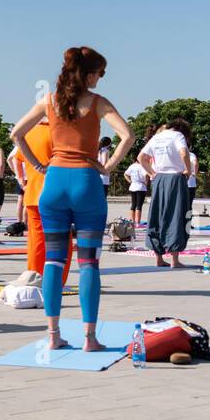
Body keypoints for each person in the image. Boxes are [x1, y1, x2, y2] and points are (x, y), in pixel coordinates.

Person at [11, 46, 133, 352]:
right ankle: (90, 338)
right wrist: (108, 166)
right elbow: (127, 136)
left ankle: (53, 335)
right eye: (100, 74)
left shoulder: (49, 101)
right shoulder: (98, 103)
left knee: (53, 261)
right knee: (89, 263)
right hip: (86, 183)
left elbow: (16, 134)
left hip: (53, 184)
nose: (100, 79)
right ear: (89, 74)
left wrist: (37, 166)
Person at [9, 115, 73, 284]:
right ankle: (58, 280)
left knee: (36, 240)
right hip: (58, 194)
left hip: (33, 193)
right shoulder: (62, 132)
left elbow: (16, 158)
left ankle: (34, 276)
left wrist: (21, 179)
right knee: (61, 240)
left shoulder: (29, 134)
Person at [140, 118, 195, 267]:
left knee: (157, 215)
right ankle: (175, 260)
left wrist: (152, 173)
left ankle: (158, 258)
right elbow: (184, 153)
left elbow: (141, 158)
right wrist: (188, 170)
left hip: (159, 179)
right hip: (175, 178)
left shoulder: (157, 137)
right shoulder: (178, 136)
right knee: (177, 215)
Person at [124, 158, 150, 229]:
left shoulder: (132, 166)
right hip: (141, 187)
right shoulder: (141, 166)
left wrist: (130, 181)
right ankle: (137, 223)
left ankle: (132, 222)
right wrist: (146, 182)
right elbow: (146, 175)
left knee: (133, 205)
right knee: (139, 205)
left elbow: (125, 174)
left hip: (133, 186)